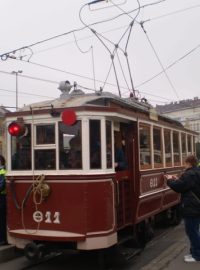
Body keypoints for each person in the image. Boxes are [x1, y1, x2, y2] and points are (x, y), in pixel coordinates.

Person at [165, 155, 200, 262]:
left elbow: (179, 187)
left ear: (189, 163)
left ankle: (197, 255)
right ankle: (193, 252)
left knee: (191, 231)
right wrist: (178, 179)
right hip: (195, 206)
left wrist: (169, 180)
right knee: (194, 230)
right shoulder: (196, 172)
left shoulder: (190, 174)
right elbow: (186, 184)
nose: (183, 165)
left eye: (184, 163)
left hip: (191, 207)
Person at [0, 155, 7, 245]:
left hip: (2, 198)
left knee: (2, 219)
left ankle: (2, 239)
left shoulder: (3, 171)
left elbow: (1, 186)